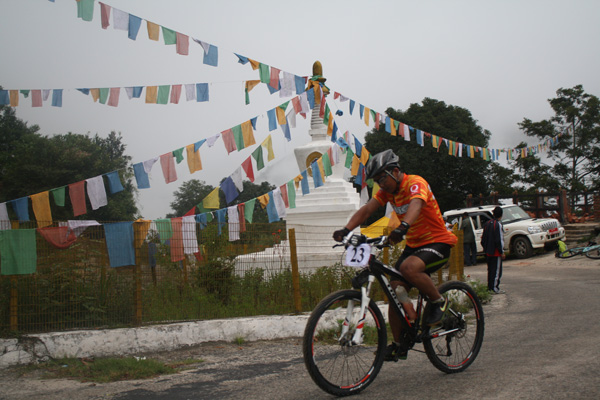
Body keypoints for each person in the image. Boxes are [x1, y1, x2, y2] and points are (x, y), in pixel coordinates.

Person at [332, 149, 457, 361]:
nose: (380, 184)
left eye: (382, 178)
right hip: (414, 245)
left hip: (438, 242)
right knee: (395, 290)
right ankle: (400, 343)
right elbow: (367, 210)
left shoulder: (416, 183)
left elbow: (416, 205)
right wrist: (346, 229)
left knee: (408, 268)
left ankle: (439, 302)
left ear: (395, 171)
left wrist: (403, 226)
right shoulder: (386, 193)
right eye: (376, 181)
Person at [481, 206, 505, 294]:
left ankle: (490, 287)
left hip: (488, 252)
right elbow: (499, 239)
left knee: (490, 270)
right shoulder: (498, 224)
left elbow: (483, 239)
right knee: (497, 271)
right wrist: (501, 251)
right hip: (496, 252)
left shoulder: (487, 224)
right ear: (501, 215)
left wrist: (485, 249)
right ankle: (495, 288)